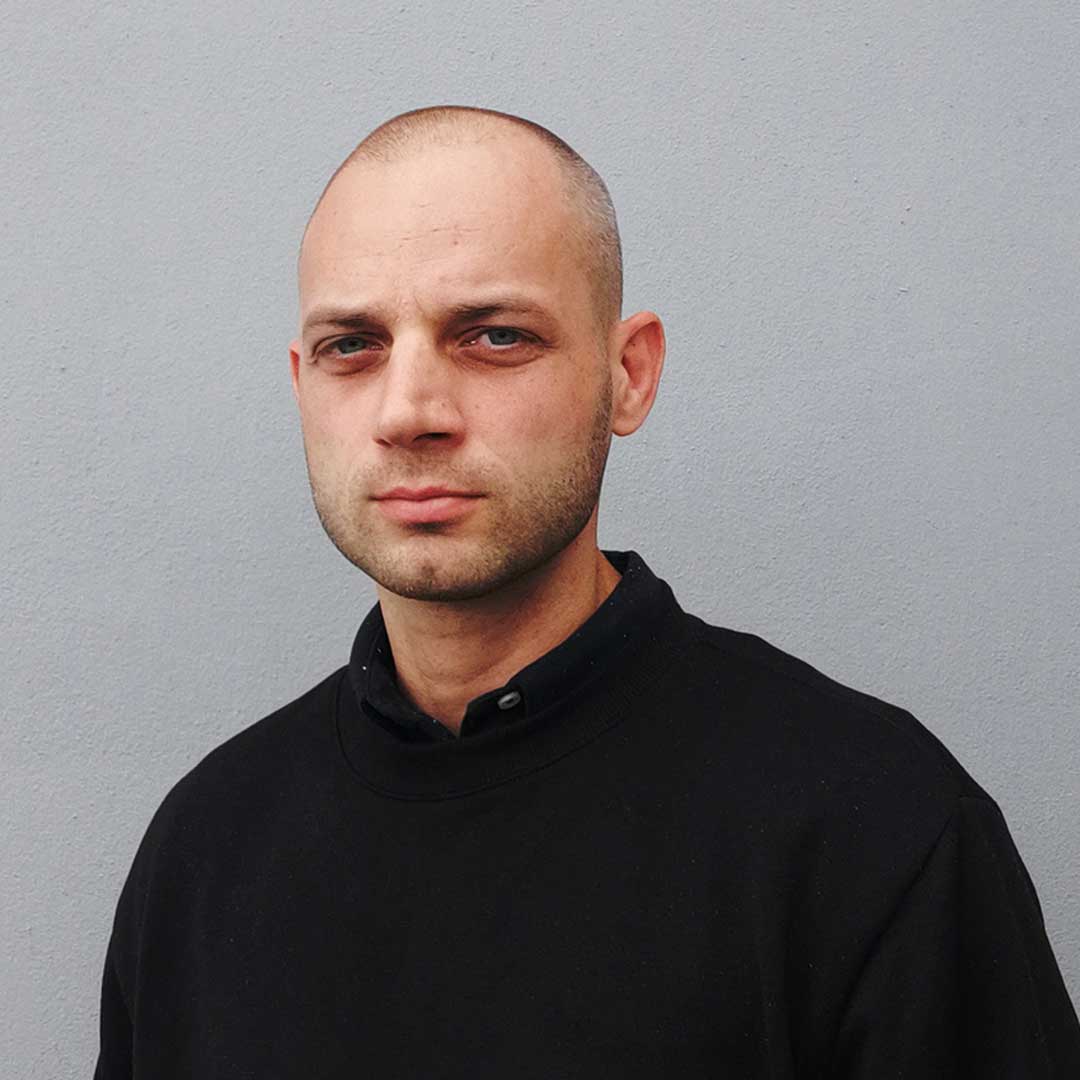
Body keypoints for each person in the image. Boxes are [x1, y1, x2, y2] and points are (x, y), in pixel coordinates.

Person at [94, 106, 1080, 1078]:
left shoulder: (876, 829)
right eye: (353, 346)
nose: (409, 411)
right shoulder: (204, 851)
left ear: (629, 375)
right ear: (302, 385)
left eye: (493, 336)